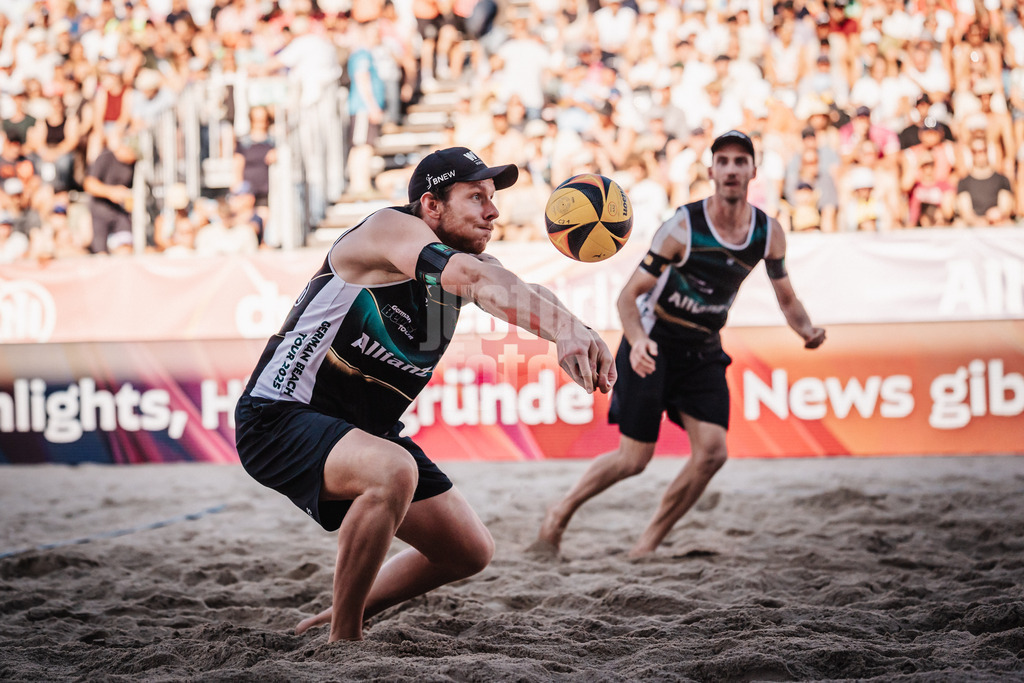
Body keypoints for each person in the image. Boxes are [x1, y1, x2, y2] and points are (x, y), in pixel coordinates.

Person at [234, 147, 616, 642]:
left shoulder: (466, 268)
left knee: (468, 551)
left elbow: (511, 285)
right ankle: (345, 640)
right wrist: (563, 327)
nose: (493, 211)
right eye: (476, 197)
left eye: (493, 198)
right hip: (280, 416)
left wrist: (578, 327)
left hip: (362, 431)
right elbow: (475, 278)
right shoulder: (385, 230)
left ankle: (337, 613)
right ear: (432, 205)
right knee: (393, 470)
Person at [532, 130, 825, 559]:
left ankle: (646, 544)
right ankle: (559, 513)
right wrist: (638, 341)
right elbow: (626, 297)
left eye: (739, 161)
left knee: (712, 454)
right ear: (710, 171)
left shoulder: (767, 232)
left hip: (703, 347)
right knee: (634, 459)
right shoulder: (682, 227)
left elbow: (788, 298)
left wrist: (806, 330)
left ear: (752, 172)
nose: (730, 169)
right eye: (722, 161)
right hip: (655, 340)